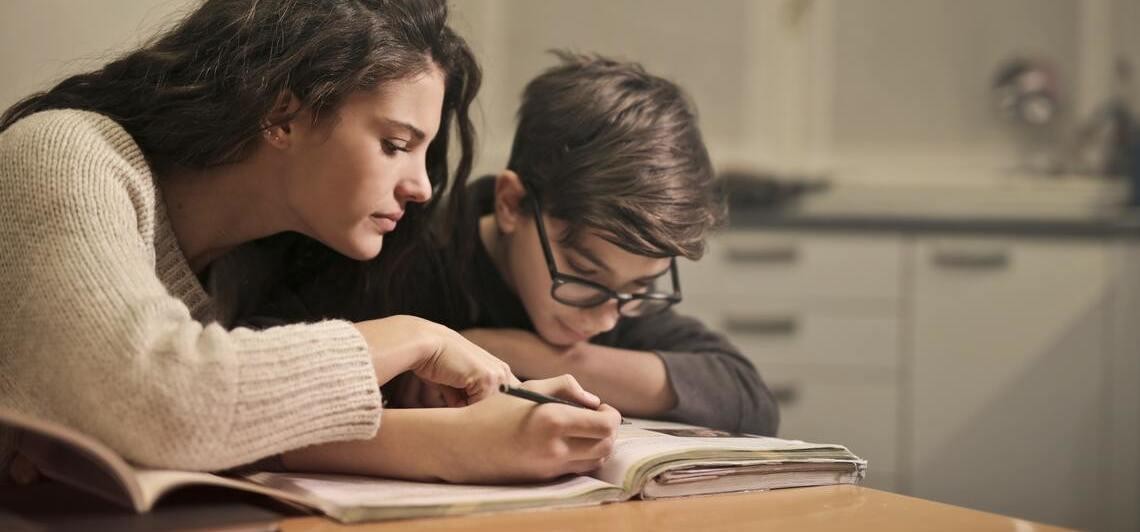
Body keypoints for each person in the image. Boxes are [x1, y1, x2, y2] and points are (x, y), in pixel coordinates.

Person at [0, 0, 618, 486]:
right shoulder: (65, 154)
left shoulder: (251, 267)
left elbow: (223, 424)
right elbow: (168, 402)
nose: (423, 187)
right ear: (282, 115)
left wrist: (479, 425)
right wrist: (416, 338)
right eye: (395, 144)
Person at [255, 52, 778, 435]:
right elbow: (257, 367)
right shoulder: (398, 251)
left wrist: (525, 355)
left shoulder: (614, 299)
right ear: (510, 203)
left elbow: (747, 396)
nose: (605, 320)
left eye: (640, 288)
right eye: (583, 273)